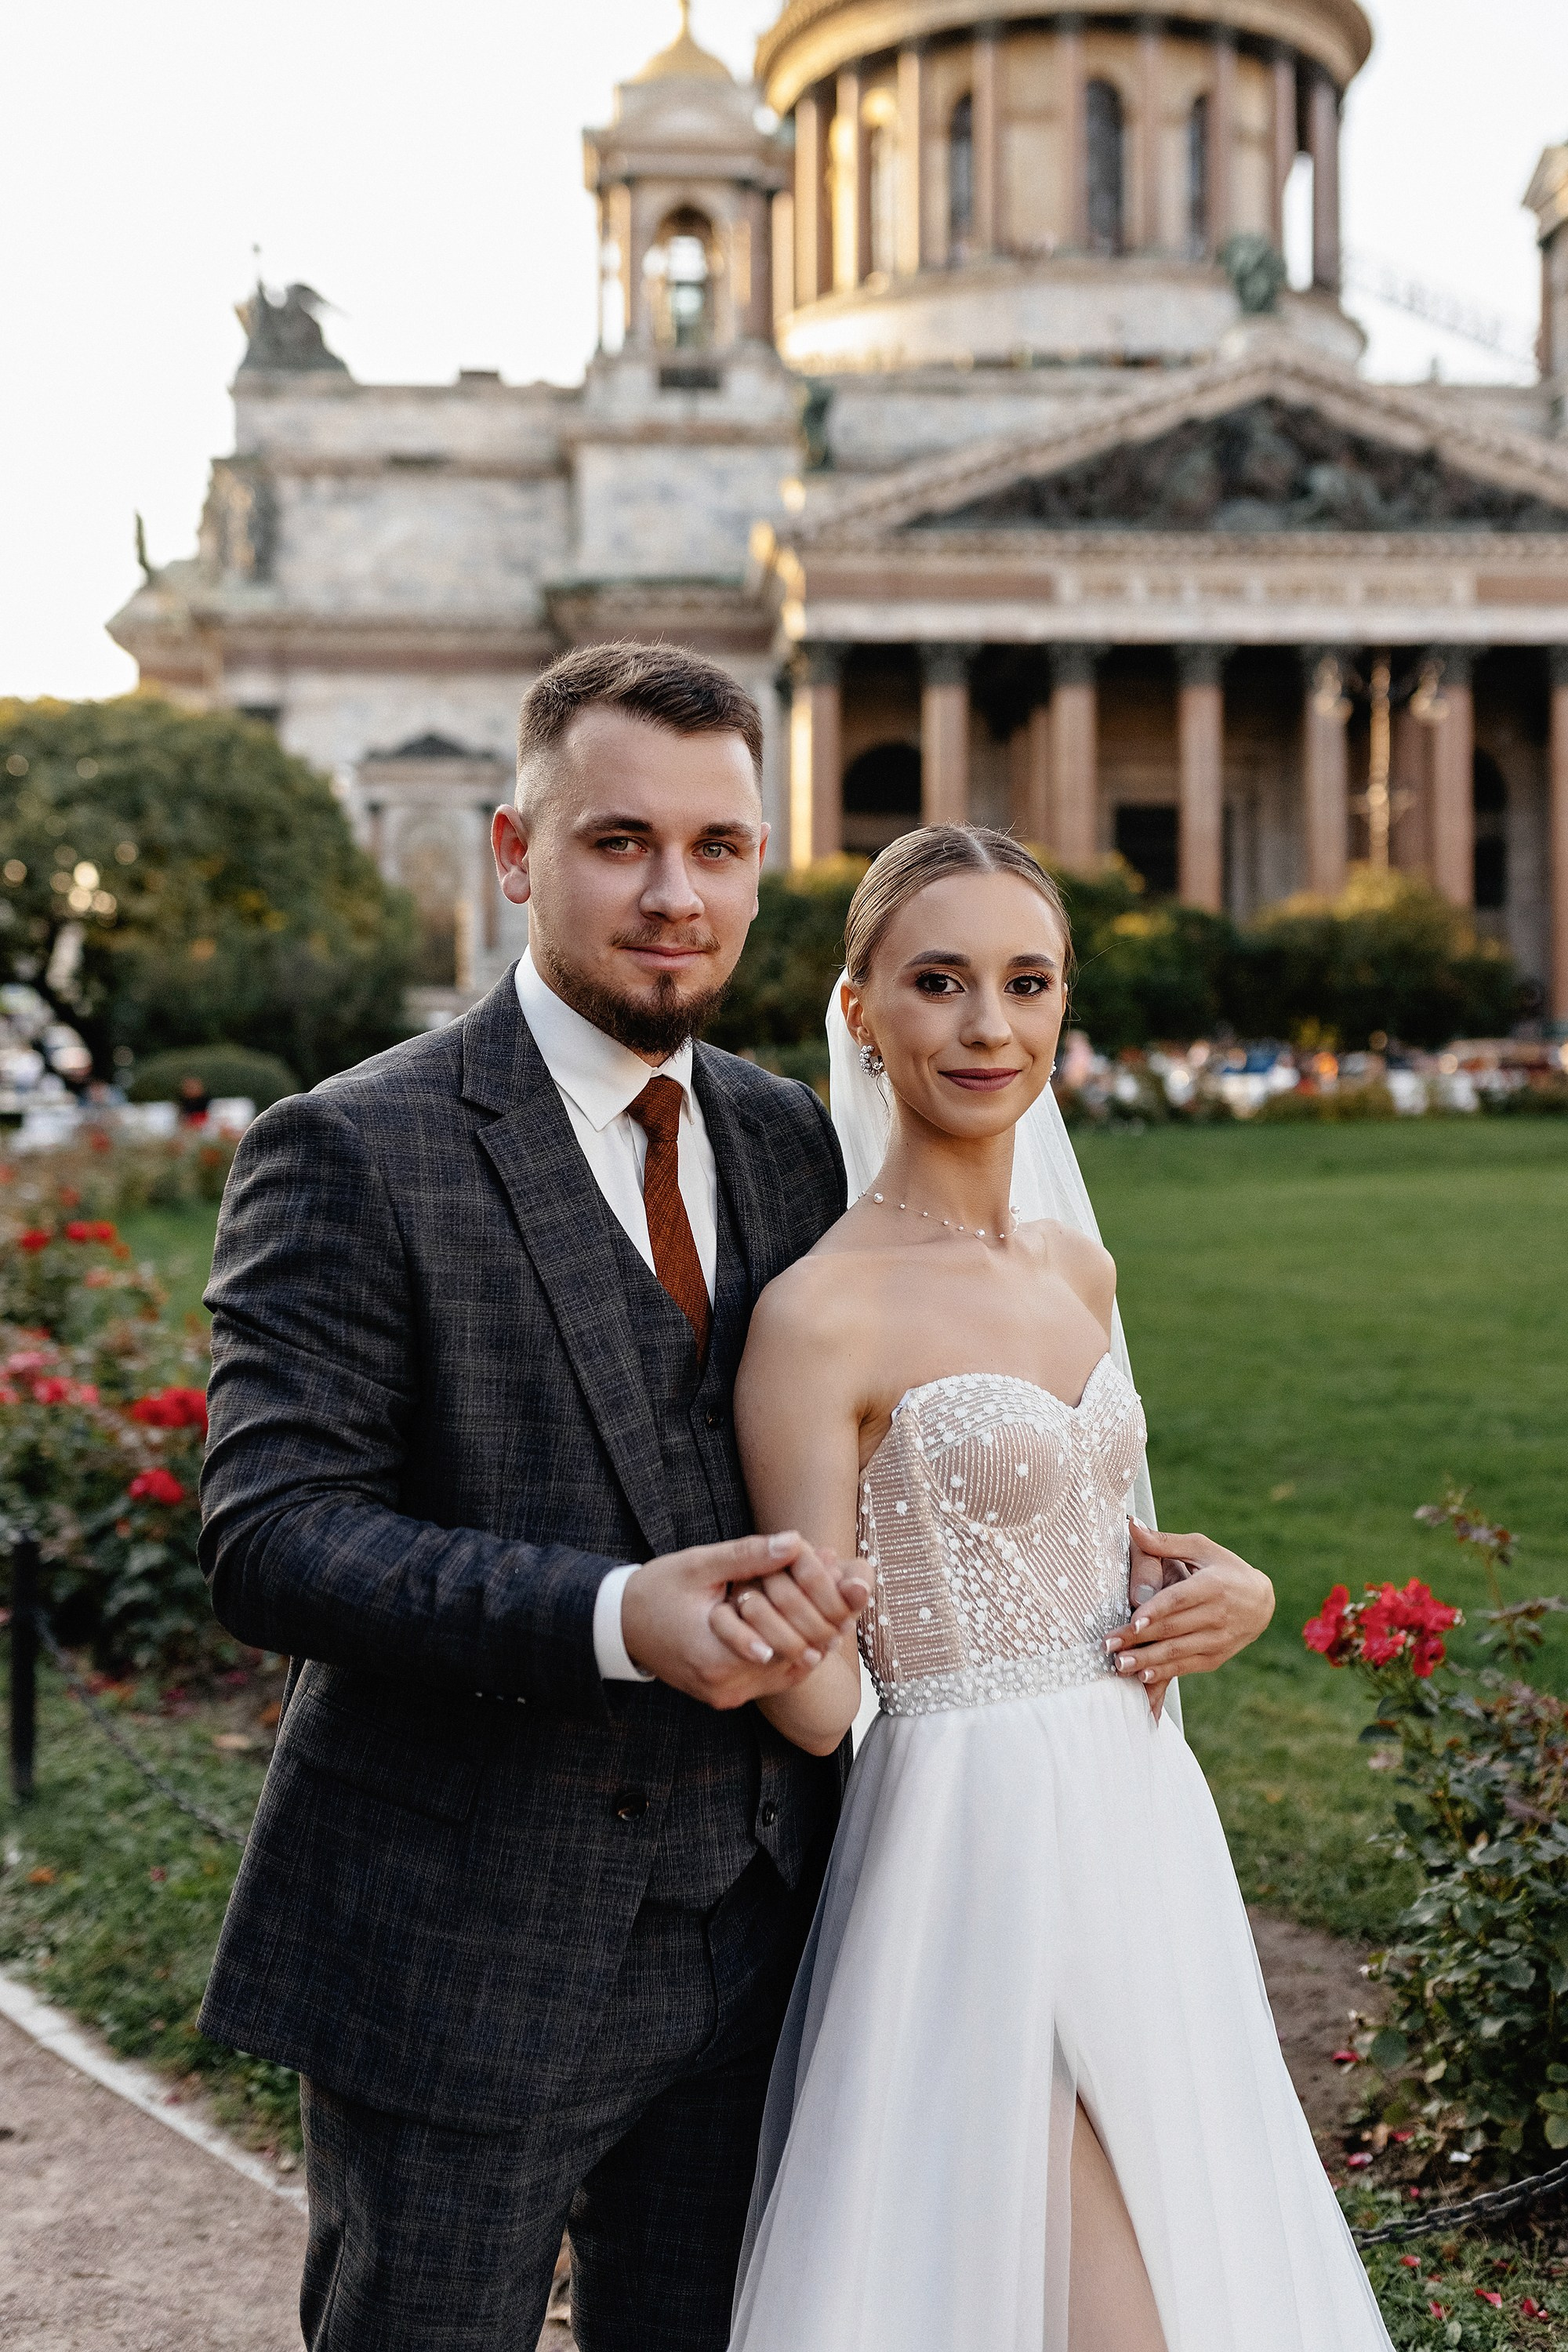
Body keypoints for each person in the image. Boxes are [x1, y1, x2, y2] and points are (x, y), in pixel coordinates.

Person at [197, 643, 871, 2352]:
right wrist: (606, 1617)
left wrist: (1157, 1583)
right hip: (461, 1950)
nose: (673, 895)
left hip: (765, 1937)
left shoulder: (792, 1138)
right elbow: (273, 1534)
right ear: (514, 852)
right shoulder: (353, 1146)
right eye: (616, 841)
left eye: (717, 850)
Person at [724, 826, 1395, 2352]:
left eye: (1027, 984)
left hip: (1140, 1810)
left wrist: (1233, 1592)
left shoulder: (1075, 1273)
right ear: (858, 1012)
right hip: (971, 1835)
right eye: (939, 982)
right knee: (1091, 2307)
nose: (986, 1027)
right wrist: (803, 1630)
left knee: (1194, 2233)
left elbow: (1121, 1542)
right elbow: (818, 1702)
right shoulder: (819, 1315)